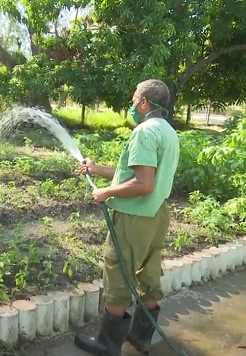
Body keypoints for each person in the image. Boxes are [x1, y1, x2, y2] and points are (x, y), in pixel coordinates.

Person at [74, 79, 180, 356]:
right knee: (149, 274)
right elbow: (138, 176)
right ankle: (141, 338)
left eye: (134, 100)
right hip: (156, 214)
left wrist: (106, 193)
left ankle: (108, 345)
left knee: (118, 276)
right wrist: (96, 169)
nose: (132, 105)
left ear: (144, 102)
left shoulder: (144, 132)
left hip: (134, 217)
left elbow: (143, 183)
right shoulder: (167, 131)